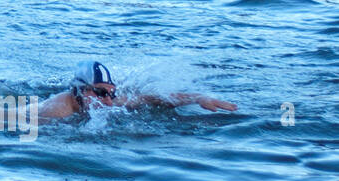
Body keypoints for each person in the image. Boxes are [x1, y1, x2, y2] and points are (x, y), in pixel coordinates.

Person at [37, 61, 237, 120]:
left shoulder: (105, 101)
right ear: (79, 91)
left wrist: (198, 98)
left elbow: (153, 99)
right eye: (100, 93)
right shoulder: (56, 111)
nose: (108, 101)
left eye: (111, 93)